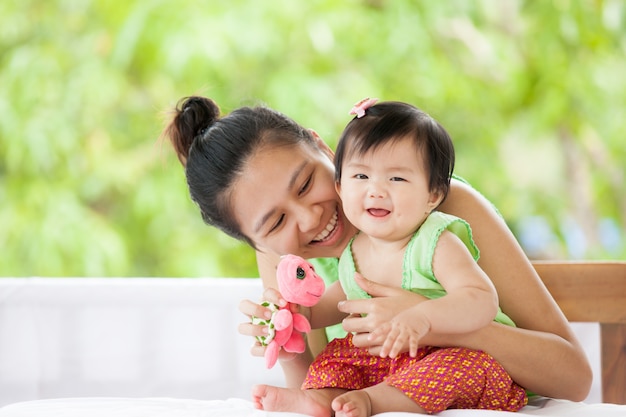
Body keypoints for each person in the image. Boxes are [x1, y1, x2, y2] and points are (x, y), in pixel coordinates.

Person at [162, 95, 592, 405]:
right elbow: (316, 394)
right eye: (275, 223)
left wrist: (432, 320)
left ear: (324, 147)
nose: (309, 219)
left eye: (307, 182)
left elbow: (574, 378)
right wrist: (287, 334)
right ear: (254, 242)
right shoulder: (284, 262)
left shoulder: (439, 209)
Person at [246, 99, 527, 416]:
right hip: (390, 365)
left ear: (432, 196)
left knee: (460, 366)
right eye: (361, 177)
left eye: (396, 179)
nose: (376, 191)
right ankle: (321, 397)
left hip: (452, 357)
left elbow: (481, 299)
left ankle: (373, 401)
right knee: (337, 357)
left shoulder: (435, 241)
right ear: (341, 185)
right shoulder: (356, 253)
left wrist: (423, 318)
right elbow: (339, 302)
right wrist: (298, 317)